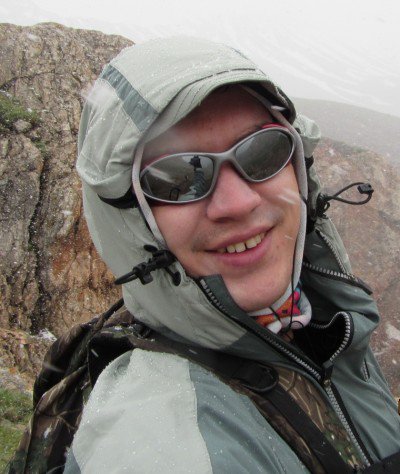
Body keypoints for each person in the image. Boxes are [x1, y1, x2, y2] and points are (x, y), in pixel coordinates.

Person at [8, 37, 400, 473]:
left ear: (299, 168)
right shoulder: (168, 446)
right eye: (176, 178)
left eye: (264, 152)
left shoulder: (326, 323)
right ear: (131, 221)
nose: (238, 202)